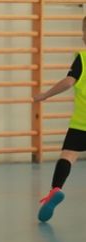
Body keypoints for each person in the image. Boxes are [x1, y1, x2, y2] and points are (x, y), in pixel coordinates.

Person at [33, 16, 86, 222]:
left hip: (81, 123)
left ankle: (55, 189)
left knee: (68, 155)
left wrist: (46, 95)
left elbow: (68, 82)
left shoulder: (82, 58)